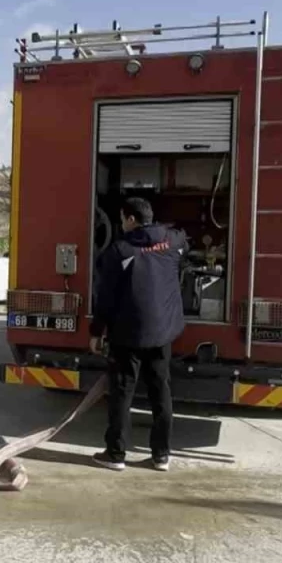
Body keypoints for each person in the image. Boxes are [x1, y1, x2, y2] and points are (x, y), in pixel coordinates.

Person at [88, 197, 186, 473]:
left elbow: (105, 299)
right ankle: (161, 456)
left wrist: (96, 333)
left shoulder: (120, 251)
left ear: (130, 219)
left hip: (128, 335)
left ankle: (116, 455)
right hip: (162, 332)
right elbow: (182, 240)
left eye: (122, 218)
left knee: (121, 393)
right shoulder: (172, 240)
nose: (121, 223)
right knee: (160, 390)